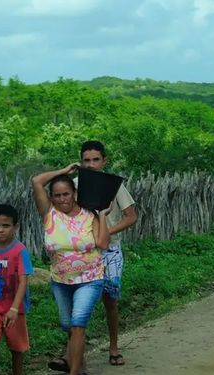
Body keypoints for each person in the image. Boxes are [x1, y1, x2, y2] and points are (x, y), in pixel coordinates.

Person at [32, 164, 111, 375]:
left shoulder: (89, 215)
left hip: (90, 278)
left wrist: (102, 215)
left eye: (66, 194)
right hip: (61, 280)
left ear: (74, 193)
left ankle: (73, 371)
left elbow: (103, 243)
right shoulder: (49, 213)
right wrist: (63, 172)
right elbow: (36, 181)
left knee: (78, 324)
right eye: (56, 195)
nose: (61, 199)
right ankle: (80, 365)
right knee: (68, 326)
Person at [79, 140, 137, 366]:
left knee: (110, 300)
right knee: (81, 302)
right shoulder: (75, 185)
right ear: (81, 161)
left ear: (104, 160)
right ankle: (76, 355)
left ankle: (113, 347)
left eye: (96, 159)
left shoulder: (114, 186)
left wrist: (105, 232)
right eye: (87, 160)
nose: (92, 164)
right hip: (84, 251)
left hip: (110, 250)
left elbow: (131, 216)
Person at [0, 204, 34, 375]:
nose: (1, 230)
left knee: (16, 349)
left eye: (6, 225)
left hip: (14, 308)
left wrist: (14, 309)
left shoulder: (20, 251)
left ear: (15, 227)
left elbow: (23, 281)